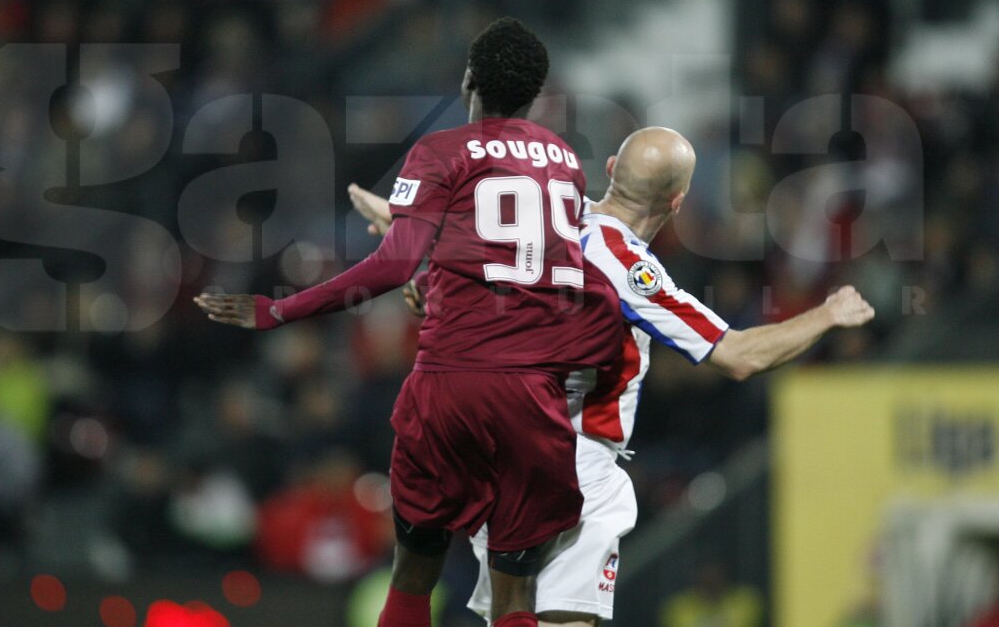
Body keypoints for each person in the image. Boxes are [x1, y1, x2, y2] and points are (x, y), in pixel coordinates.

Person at [350, 126, 875, 626]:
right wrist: (828, 314)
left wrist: (403, 235)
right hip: (575, 465)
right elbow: (738, 355)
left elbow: (459, 244)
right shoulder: (626, 266)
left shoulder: (541, 218)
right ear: (678, 201)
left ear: (608, 170)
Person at [195, 17, 624, 627]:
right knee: (515, 597)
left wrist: (281, 310)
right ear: (533, 96)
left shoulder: (441, 151)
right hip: (533, 393)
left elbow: (393, 265)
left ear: (469, 78)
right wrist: (439, 284)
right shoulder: (564, 164)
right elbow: (541, 274)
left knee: (413, 572)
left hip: (448, 387)